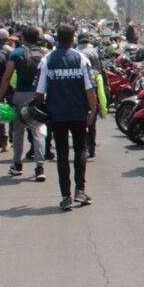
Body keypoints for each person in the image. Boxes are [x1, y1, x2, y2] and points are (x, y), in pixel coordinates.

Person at [35, 24, 97, 211]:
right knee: (80, 150)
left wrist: (40, 109)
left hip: (57, 115)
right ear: (73, 38)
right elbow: (90, 89)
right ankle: (80, 190)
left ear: (56, 38)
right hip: (78, 114)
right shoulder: (81, 59)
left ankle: (66, 196)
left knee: (62, 154)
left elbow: (38, 93)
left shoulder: (47, 60)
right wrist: (92, 111)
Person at [0, 26, 47, 180]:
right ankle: (39, 167)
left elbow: (7, 77)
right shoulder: (44, 54)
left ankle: (17, 164)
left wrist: (0, 97)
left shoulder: (17, 53)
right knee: (38, 131)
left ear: (23, 38)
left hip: (20, 95)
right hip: (39, 95)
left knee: (18, 131)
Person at [76, 31, 104, 159]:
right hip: (93, 85)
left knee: (81, 121)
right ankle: (91, 148)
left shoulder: (75, 52)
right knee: (92, 119)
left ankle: (83, 147)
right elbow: (99, 70)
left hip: (79, 89)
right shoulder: (94, 51)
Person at [0, 29, 13, 151]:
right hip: (9, 84)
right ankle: (10, 138)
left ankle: (1, 139)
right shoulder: (10, 51)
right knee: (10, 111)